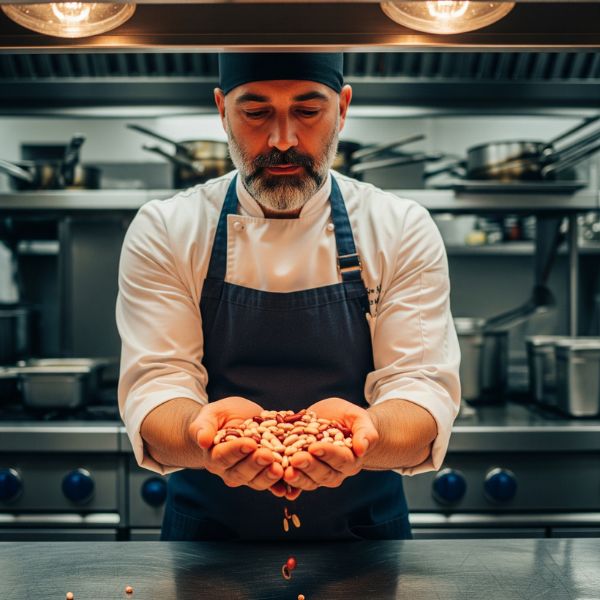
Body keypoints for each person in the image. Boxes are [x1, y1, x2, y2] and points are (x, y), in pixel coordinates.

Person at [117, 52, 461, 541]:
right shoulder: (168, 229)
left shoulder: (399, 227)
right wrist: (205, 433)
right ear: (221, 110)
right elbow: (156, 388)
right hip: (206, 548)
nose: (282, 140)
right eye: (255, 113)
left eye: (308, 111)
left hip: (366, 543)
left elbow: (420, 392)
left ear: (342, 108)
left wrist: (361, 436)